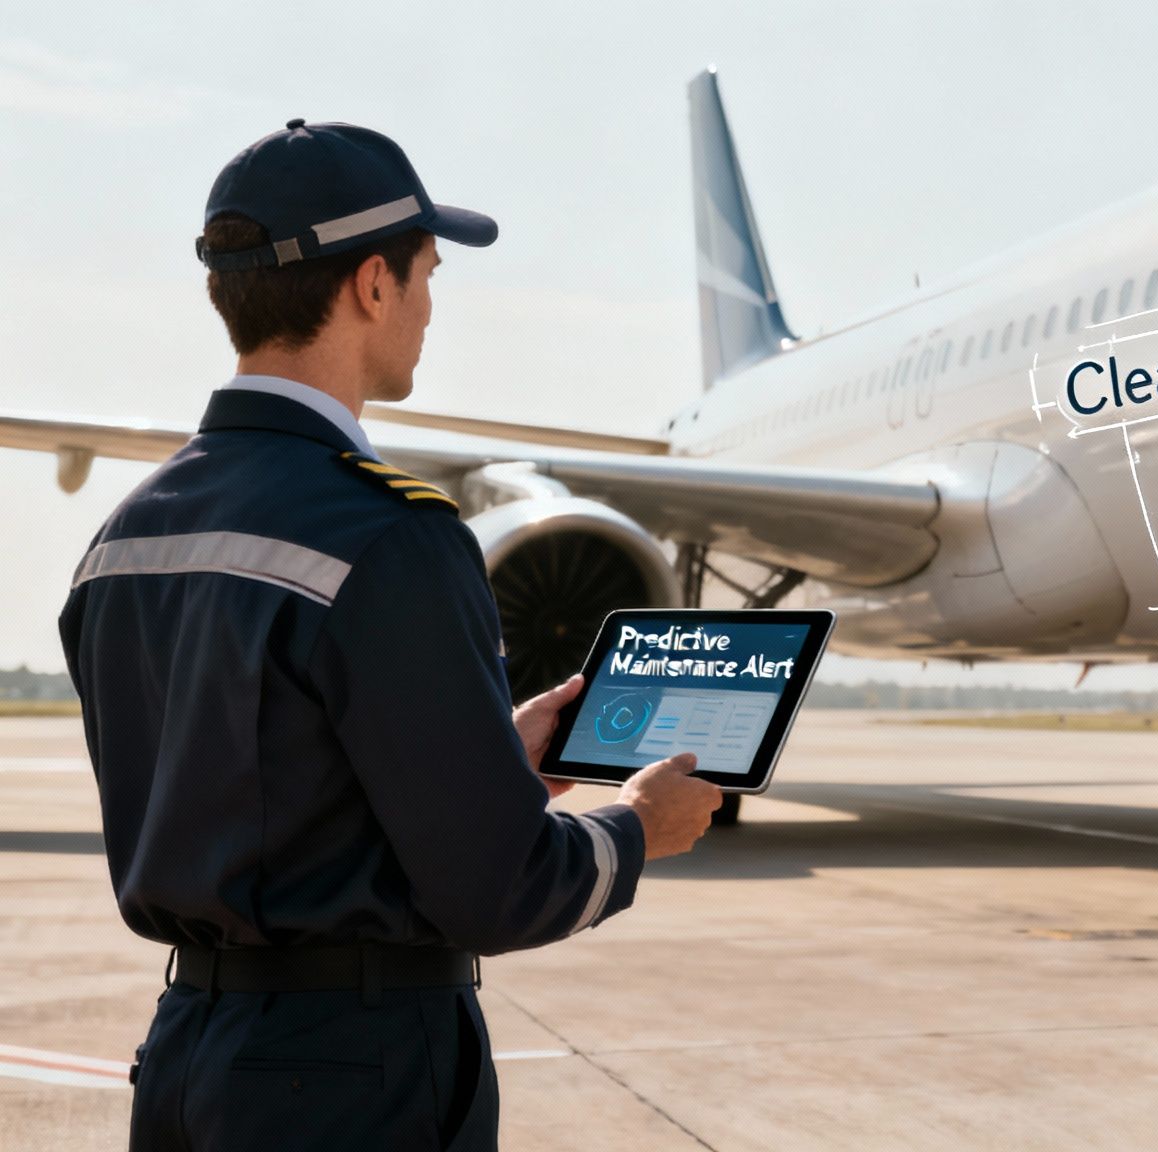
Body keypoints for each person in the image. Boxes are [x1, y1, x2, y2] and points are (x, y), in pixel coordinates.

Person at [57, 119, 726, 1151]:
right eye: (428, 274)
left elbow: (258, 792)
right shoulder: (389, 536)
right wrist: (641, 826)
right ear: (373, 284)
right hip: (350, 1080)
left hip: (188, 1054)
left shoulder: (126, 537)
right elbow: (499, 894)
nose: (428, 307)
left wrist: (491, 760)